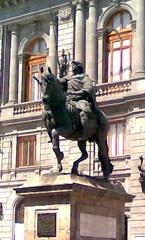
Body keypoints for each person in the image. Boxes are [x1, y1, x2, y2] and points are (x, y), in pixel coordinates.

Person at [59, 60, 99, 139]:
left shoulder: (84, 78)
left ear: (79, 67)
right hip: (69, 100)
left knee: (83, 111)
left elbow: (88, 89)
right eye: (72, 65)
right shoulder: (68, 77)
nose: (72, 67)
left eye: (74, 65)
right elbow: (59, 82)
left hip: (80, 100)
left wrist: (74, 93)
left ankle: (84, 132)